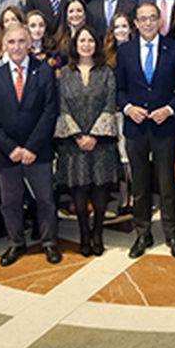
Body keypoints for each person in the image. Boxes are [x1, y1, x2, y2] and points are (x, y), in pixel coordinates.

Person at [0, 25, 62, 266]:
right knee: (10, 202)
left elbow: (50, 111)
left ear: (29, 44)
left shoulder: (45, 71)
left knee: (45, 200)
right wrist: (11, 148)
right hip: (8, 153)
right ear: (4, 46)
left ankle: (49, 242)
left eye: (21, 41)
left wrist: (31, 147)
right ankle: (16, 243)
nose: (17, 47)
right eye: (12, 42)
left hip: (38, 151)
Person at [117, 2, 175, 258]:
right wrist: (128, 108)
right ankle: (142, 233)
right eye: (143, 19)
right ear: (135, 23)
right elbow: (119, 91)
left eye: (152, 18)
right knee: (140, 185)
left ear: (160, 21)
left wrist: (169, 109)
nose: (147, 23)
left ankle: (172, 234)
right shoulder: (125, 51)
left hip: (164, 126)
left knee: (167, 183)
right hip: (135, 127)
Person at [55, 26, 119, 257]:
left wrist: (94, 136)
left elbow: (109, 105)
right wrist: (79, 136)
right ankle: (84, 233)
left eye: (90, 40)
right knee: (79, 190)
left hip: (101, 142)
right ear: (75, 44)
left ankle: (98, 232)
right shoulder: (64, 73)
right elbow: (62, 107)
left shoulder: (106, 72)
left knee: (100, 190)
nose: (86, 44)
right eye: (82, 40)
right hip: (73, 143)